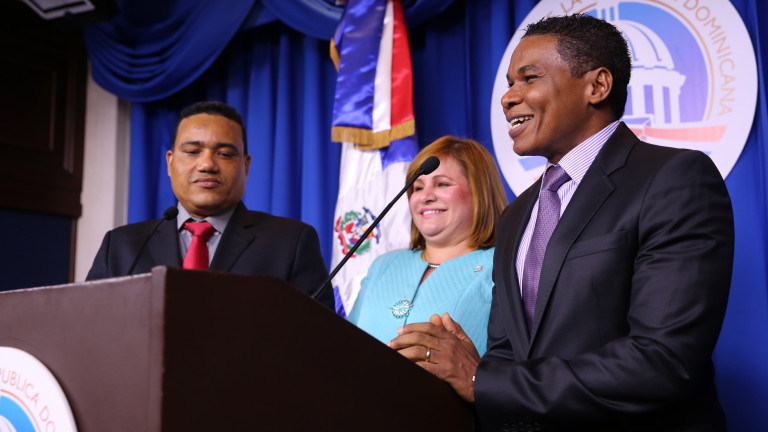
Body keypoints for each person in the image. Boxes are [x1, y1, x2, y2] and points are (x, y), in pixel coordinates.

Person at [389, 14, 735, 431]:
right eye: (509, 84)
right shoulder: (516, 215)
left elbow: (663, 361)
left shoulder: (673, 178)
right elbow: (508, 354)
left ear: (597, 86)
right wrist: (474, 370)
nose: (508, 98)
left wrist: (483, 380)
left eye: (529, 78)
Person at [87, 101, 334, 309]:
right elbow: (87, 328)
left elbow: (318, 340)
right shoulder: (121, 246)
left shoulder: (290, 243)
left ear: (246, 165)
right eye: (192, 152)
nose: (207, 165)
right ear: (170, 163)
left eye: (224, 154)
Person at [348, 136, 507, 355]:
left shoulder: (504, 267)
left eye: (442, 184)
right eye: (417, 187)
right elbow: (344, 345)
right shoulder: (383, 266)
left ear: (480, 192)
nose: (425, 197)